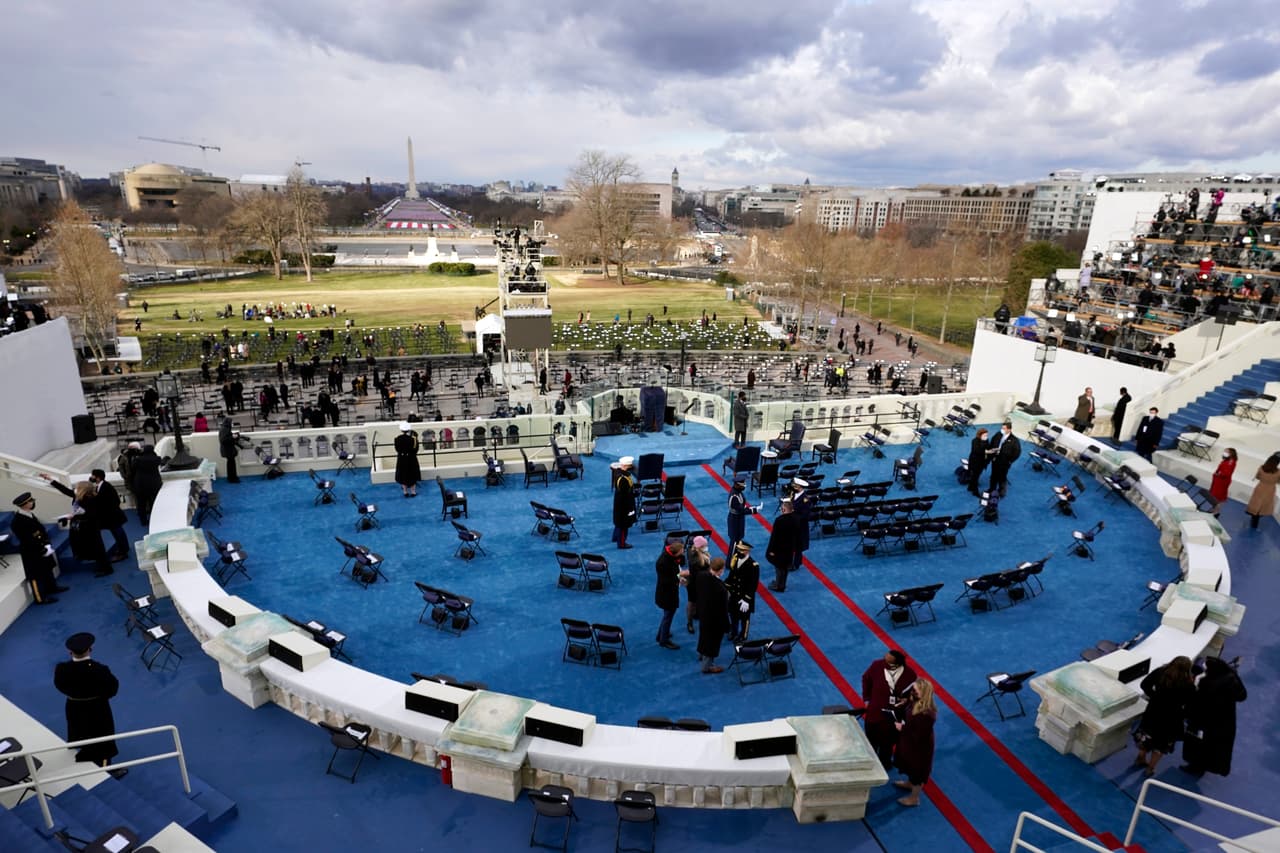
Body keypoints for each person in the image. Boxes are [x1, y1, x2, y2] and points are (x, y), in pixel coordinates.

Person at [54, 632, 121, 772]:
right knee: (102, 736)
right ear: (90, 649)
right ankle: (105, 768)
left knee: (78, 728)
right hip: (97, 708)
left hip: (74, 706)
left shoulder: (62, 669)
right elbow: (112, 689)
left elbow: (59, 685)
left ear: (70, 652)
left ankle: (80, 747)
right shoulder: (100, 670)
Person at [1182, 656, 1247, 777]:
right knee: (1212, 746)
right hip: (1222, 722)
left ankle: (1197, 766)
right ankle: (1202, 765)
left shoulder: (1208, 684)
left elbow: (1197, 702)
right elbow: (1242, 696)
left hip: (1205, 720)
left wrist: (1187, 714)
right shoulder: (1230, 680)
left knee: (1199, 744)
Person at [1133, 655, 1196, 777]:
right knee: (1161, 744)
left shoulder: (1160, 672)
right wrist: (1182, 713)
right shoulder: (1188, 685)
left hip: (1153, 711)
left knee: (1146, 735)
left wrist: (1154, 696)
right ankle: (1150, 768)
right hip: (1172, 718)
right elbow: (1190, 706)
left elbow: (1144, 684)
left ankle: (1141, 757)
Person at [40, 476, 113, 578]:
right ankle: (95, 562)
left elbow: (92, 515)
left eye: (78, 488)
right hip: (81, 525)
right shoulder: (78, 496)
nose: (75, 489)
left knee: (97, 548)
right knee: (88, 546)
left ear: (83, 490)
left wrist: (73, 516)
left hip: (90, 527)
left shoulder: (91, 500)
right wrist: (50, 480)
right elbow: (64, 490)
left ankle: (106, 568)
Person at [861, 649, 918, 770]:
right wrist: (867, 699)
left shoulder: (910, 675)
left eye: (888, 658)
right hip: (875, 712)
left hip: (893, 716)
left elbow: (912, 696)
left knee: (887, 743)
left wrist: (906, 701)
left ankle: (885, 763)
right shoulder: (877, 665)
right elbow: (866, 679)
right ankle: (870, 764)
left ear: (896, 662)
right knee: (871, 740)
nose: (885, 659)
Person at [10, 492, 68, 604]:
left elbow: (40, 530)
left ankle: (52, 588)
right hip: (31, 551)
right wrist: (41, 548)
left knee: (47, 568)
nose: (33, 503)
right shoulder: (17, 521)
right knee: (36, 574)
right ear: (25, 504)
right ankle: (40, 598)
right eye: (31, 501)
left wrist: (46, 543)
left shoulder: (29, 514)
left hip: (41, 547)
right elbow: (27, 539)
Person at [893, 679, 937, 807]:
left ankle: (914, 798)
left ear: (923, 692)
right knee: (909, 766)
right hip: (910, 742)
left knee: (918, 772)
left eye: (915, 690)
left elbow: (919, 734)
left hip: (920, 747)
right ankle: (910, 783)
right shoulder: (915, 701)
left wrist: (902, 728)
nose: (912, 692)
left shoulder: (927, 713)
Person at [695, 557, 729, 674]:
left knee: (703, 636)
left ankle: (701, 654)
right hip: (715, 620)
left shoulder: (701, 576)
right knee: (712, 643)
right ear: (721, 570)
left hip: (703, 613)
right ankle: (707, 667)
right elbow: (723, 610)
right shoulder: (721, 588)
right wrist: (726, 625)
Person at [88, 469, 129, 560]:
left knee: (118, 534)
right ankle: (123, 549)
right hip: (112, 517)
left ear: (98, 478)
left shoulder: (106, 487)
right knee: (118, 534)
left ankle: (123, 552)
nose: (91, 477)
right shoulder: (101, 486)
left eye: (93, 475)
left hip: (113, 517)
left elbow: (114, 501)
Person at [653, 539, 686, 651]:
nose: (683, 552)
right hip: (667, 594)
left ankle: (661, 635)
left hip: (667, 592)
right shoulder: (664, 563)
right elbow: (667, 580)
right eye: (682, 550)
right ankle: (663, 640)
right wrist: (679, 578)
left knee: (667, 616)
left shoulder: (669, 556)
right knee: (668, 616)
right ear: (676, 552)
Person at [725, 541, 759, 642]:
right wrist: (725, 587)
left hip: (744, 597)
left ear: (747, 551)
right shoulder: (735, 559)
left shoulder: (753, 565)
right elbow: (731, 577)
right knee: (733, 614)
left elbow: (753, 585)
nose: (739, 552)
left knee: (745, 618)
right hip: (734, 594)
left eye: (742, 550)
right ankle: (734, 632)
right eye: (738, 549)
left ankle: (743, 635)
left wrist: (747, 600)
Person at [765, 499, 803, 592]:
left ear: (783, 510)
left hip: (779, 549)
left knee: (779, 567)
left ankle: (779, 586)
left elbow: (774, 537)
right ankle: (782, 584)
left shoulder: (779, 520)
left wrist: (771, 550)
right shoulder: (796, 519)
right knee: (785, 567)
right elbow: (798, 535)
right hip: (790, 548)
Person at [129, 445, 163, 527]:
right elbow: (160, 462)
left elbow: (132, 468)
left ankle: (143, 521)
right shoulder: (157, 459)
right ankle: (154, 519)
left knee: (141, 504)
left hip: (141, 485)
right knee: (154, 503)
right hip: (154, 484)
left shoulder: (138, 460)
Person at [1244, 453, 1280, 529]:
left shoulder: (1261, 468)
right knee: (1264, 506)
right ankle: (1256, 518)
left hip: (1260, 487)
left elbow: (1257, 477)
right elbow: (1279, 481)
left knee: (1256, 503)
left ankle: (1254, 516)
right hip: (1270, 490)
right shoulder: (1278, 472)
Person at [986, 422, 1021, 498]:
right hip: (995, 460)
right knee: (993, 475)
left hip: (1005, 463)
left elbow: (1017, 453)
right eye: (1002, 428)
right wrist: (990, 455)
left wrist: (1010, 461)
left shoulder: (1014, 440)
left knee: (1002, 477)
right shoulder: (998, 435)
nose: (1002, 429)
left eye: (1004, 428)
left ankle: (1001, 492)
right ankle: (992, 489)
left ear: (1009, 429)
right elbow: (992, 444)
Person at [685, 535, 711, 634]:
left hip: (702, 582)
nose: (706, 547)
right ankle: (689, 623)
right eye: (704, 546)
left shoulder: (701, 553)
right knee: (691, 603)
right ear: (699, 546)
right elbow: (702, 568)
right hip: (694, 583)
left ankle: (696, 614)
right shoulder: (694, 557)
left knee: (700, 600)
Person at [612, 456, 637, 549]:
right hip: (623, 505)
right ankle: (622, 543)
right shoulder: (623, 479)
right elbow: (625, 495)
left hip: (618, 503)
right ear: (626, 466)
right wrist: (630, 508)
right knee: (623, 525)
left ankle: (615, 537)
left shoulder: (619, 472)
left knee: (618, 522)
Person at [726, 480, 758, 552]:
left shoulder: (739, 493)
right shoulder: (734, 496)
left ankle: (737, 553)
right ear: (737, 485)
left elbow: (742, 506)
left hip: (740, 518)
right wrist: (754, 510)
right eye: (742, 486)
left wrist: (750, 508)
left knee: (739, 538)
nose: (743, 487)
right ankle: (731, 556)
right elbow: (741, 510)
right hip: (734, 519)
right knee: (734, 540)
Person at [394, 422, 421, 498]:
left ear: (401, 430)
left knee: (403, 474)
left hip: (402, 459)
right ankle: (413, 492)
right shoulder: (413, 439)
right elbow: (416, 450)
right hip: (411, 459)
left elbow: (397, 449)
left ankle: (405, 492)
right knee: (412, 474)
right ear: (409, 430)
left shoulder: (397, 439)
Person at [967, 427, 990, 496]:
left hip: (982, 462)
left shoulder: (986, 440)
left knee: (976, 475)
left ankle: (970, 487)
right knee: (975, 476)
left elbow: (988, 447)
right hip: (975, 461)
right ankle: (975, 491)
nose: (986, 436)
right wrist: (986, 451)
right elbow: (977, 450)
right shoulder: (975, 441)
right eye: (985, 435)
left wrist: (990, 450)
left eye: (987, 435)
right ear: (980, 435)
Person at [219, 417, 242, 484]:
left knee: (230, 464)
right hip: (228, 450)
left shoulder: (224, 428)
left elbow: (225, 438)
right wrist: (233, 437)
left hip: (227, 450)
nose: (232, 423)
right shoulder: (225, 429)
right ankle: (232, 478)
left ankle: (231, 477)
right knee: (231, 464)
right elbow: (223, 440)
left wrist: (232, 436)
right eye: (231, 422)